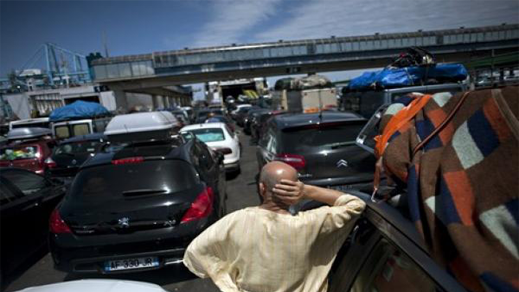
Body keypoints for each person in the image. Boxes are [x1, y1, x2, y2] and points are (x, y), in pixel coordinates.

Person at [183, 161, 366, 292]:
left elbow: (195, 252)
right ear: (296, 189)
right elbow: (355, 204)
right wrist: (308, 191)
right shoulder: (312, 223)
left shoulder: (235, 222)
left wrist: (229, 285)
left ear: (262, 188)